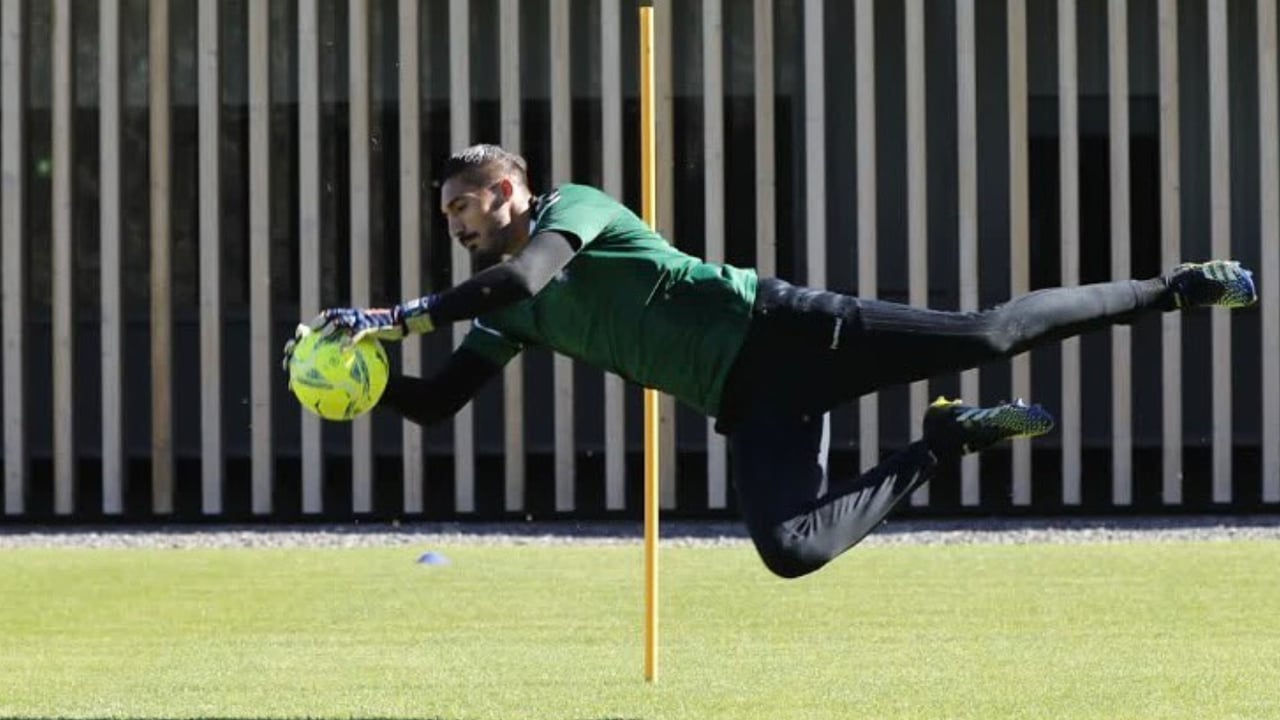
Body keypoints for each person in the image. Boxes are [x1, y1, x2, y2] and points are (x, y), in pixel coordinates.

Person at [283, 143, 1258, 579]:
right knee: (792, 552)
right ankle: (945, 443)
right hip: (747, 399)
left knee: (984, 334)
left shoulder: (570, 210)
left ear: (508, 188)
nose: (454, 223)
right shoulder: (506, 311)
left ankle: (1170, 288)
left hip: (786, 328)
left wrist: (393, 318)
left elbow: (528, 275)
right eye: (446, 213)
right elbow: (440, 405)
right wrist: (361, 382)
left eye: (462, 204)